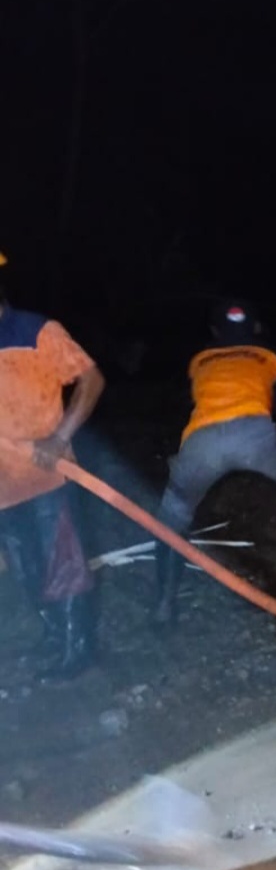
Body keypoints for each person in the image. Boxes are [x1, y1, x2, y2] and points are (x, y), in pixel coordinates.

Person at [153, 299, 276, 624]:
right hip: (254, 432)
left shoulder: (200, 360)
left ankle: (163, 605)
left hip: (201, 442)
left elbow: (202, 403)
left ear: (214, 331)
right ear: (256, 328)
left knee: (172, 515)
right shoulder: (270, 355)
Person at [0, 254, 106, 682]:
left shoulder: (37, 330)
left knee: (63, 565)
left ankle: (76, 651)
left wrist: (60, 437)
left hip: (48, 477)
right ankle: (53, 638)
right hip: (4, 487)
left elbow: (91, 379)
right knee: (26, 568)